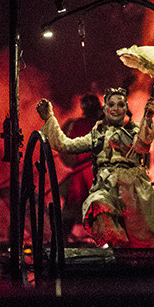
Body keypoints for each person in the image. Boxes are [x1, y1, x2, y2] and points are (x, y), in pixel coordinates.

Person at [36, 87, 154, 248]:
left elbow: (64, 146)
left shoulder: (83, 126)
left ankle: (60, 244)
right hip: (100, 177)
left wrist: (49, 120)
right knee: (112, 210)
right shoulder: (104, 126)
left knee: (74, 212)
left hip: (86, 177)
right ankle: (120, 247)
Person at [58, 94, 103, 241]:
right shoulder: (102, 126)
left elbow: (65, 147)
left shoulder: (75, 125)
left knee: (72, 208)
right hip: (95, 173)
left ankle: (61, 241)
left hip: (79, 173)